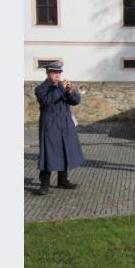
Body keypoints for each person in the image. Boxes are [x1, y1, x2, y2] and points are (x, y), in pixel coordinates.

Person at [34, 61, 85, 195]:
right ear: (48, 73)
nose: (57, 76)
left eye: (59, 73)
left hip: (65, 123)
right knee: (48, 153)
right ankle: (44, 184)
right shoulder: (41, 88)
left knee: (65, 149)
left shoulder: (62, 87)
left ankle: (63, 180)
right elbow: (46, 100)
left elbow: (76, 101)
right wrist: (61, 89)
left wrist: (69, 92)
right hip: (50, 123)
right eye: (54, 73)